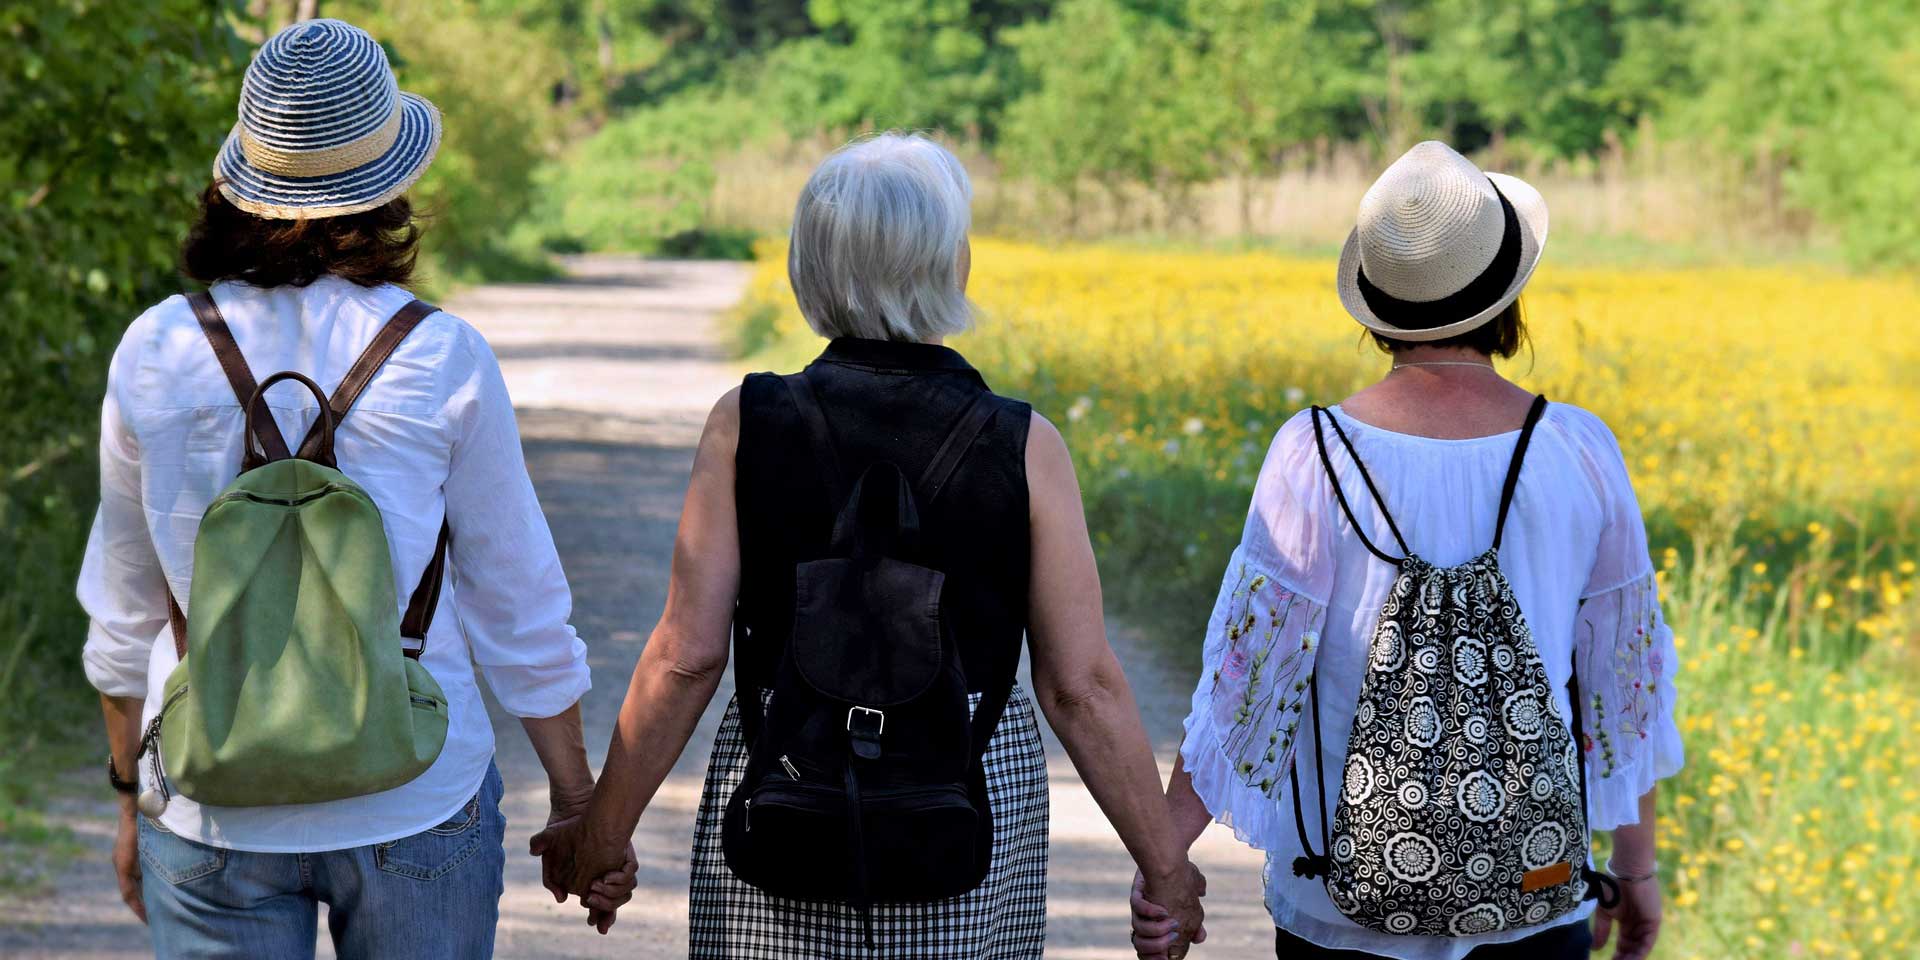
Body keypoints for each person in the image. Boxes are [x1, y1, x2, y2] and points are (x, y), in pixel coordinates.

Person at [530, 132, 1206, 959]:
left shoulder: (746, 423)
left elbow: (686, 658)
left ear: (809, 266)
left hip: (788, 783)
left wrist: (602, 834)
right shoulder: (1024, 444)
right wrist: (1165, 871)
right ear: (951, 264)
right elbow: (1080, 686)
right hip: (964, 794)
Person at [76, 19, 633, 958]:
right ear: (388, 188)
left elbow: (123, 609)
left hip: (211, 806)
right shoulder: (440, 354)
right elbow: (517, 601)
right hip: (415, 793)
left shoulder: (158, 347)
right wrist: (579, 803)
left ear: (239, 185)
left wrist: (132, 799)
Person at [1133, 142, 1681, 960]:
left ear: (1375, 308)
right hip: (1534, 892)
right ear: (1508, 297)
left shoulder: (1313, 453)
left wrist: (1165, 862)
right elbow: (1620, 689)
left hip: (1338, 910)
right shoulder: (1578, 450)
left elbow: (1249, 686)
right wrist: (1635, 872)